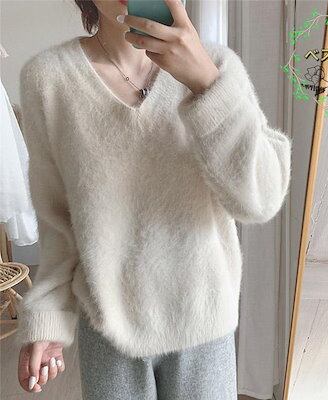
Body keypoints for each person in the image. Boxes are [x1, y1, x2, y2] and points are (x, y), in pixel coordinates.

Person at [15, 0, 292, 398]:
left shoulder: (216, 67)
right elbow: (57, 219)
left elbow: (260, 200)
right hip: (109, 326)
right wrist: (48, 316)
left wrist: (206, 85)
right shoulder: (48, 79)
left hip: (205, 321)